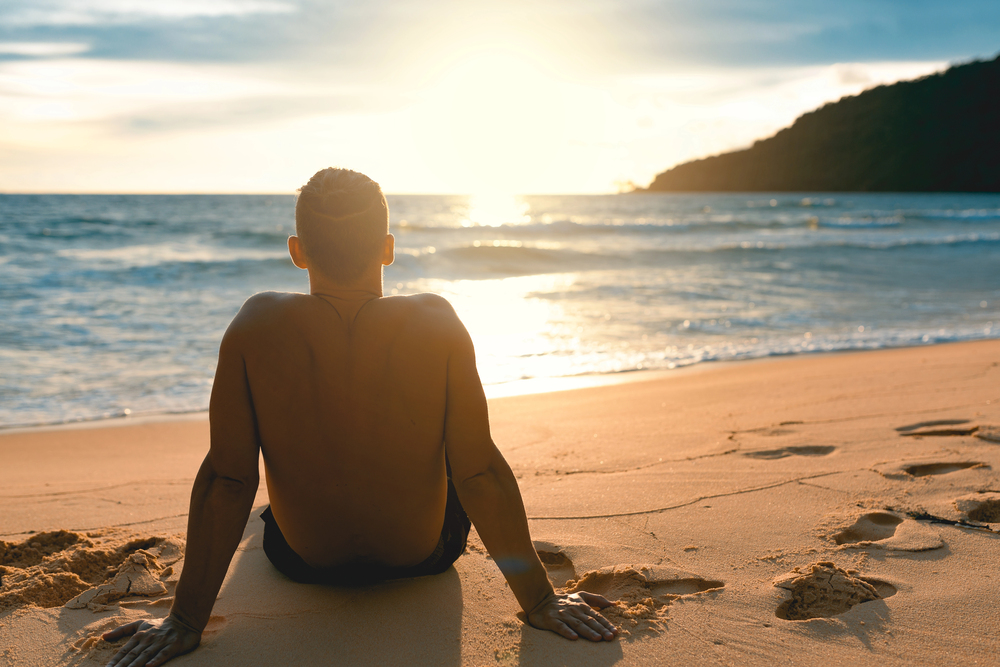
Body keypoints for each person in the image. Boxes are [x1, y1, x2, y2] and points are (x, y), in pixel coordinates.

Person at [103, 168, 618, 667]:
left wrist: (185, 620)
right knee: (457, 459)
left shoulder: (254, 323)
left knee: (264, 513)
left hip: (304, 563)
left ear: (297, 251)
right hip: (423, 557)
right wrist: (540, 601)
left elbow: (229, 477)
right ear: (388, 247)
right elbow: (478, 472)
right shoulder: (438, 321)